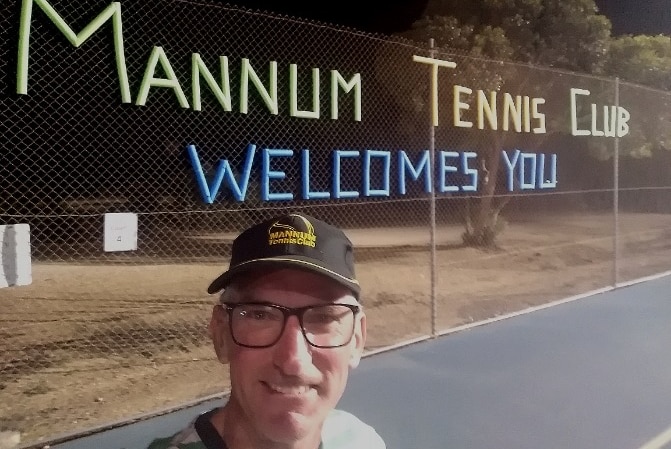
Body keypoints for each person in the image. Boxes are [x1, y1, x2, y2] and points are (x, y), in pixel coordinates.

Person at [148, 212, 385, 449]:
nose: (293, 361)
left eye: (324, 317)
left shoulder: (361, 440)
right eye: (260, 315)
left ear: (356, 339)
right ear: (221, 335)